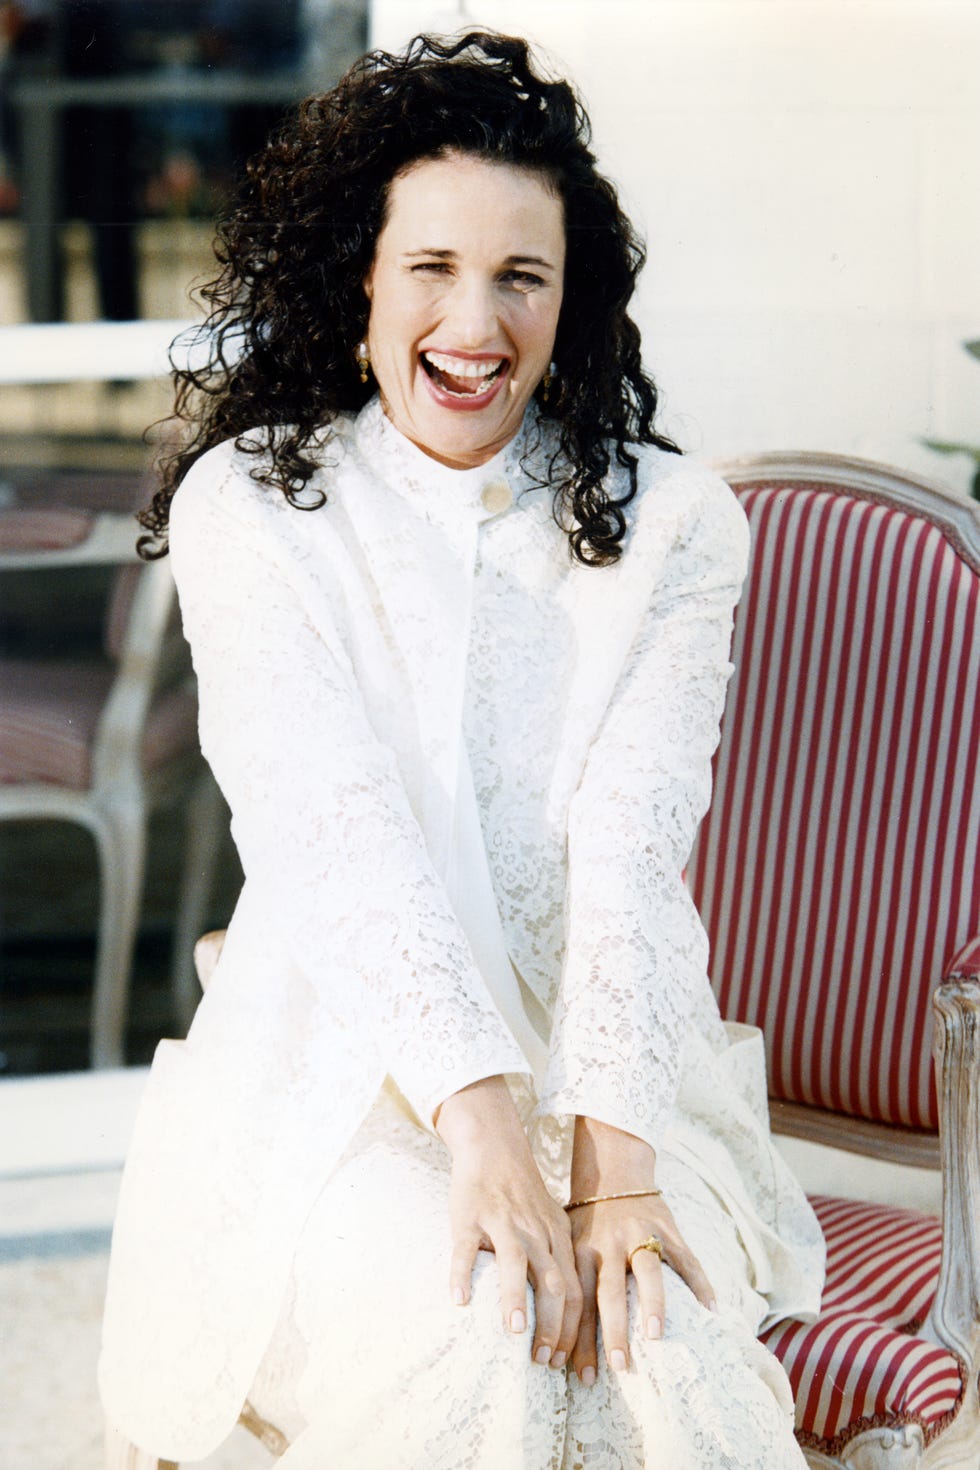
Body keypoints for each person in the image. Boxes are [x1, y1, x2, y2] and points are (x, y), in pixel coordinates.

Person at [100, 30, 824, 1470]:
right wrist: (486, 1133)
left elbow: (632, 838)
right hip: (337, 1064)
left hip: (612, 1062)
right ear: (360, 272)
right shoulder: (251, 509)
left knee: (650, 1342)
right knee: (480, 1320)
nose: (474, 321)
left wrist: (610, 1166)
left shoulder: (676, 526)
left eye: (521, 276)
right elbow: (331, 819)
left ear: (575, 303)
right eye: (431, 266)